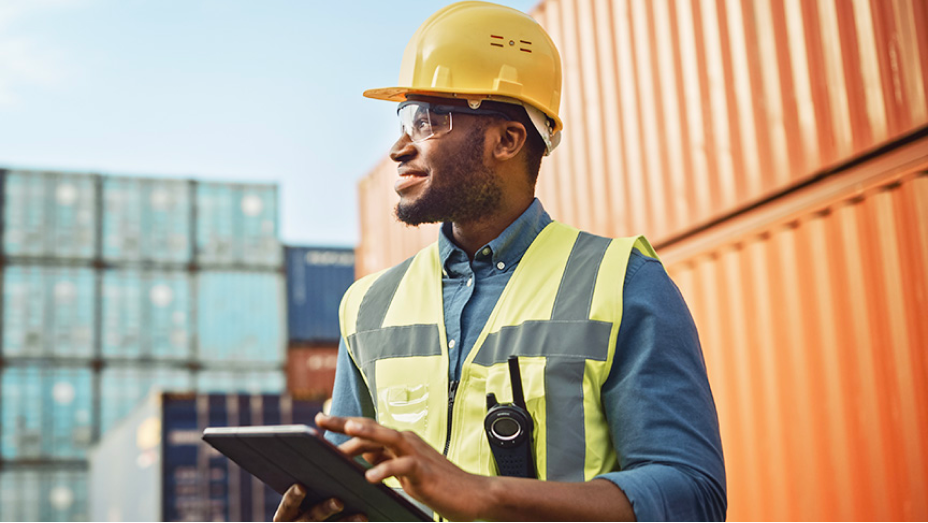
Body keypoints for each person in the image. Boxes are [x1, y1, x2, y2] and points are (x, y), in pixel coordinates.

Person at [275, 2, 726, 521]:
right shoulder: (367, 305)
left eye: (427, 120)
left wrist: (483, 493)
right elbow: (355, 488)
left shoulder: (623, 282)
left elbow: (693, 495)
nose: (399, 147)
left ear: (508, 139)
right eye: (405, 119)